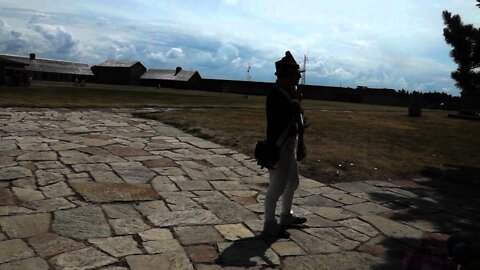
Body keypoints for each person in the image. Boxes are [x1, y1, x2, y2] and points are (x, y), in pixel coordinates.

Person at [262, 51, 307, 238]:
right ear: (287, 75)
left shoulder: (289, 93)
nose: (299, 76)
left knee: (293, 182)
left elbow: (299, 122)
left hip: (290, 143)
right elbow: (287, 117)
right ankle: (269, 224)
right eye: (296, 74)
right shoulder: (276, 95)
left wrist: (301, 142)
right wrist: (297, 102)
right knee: (277, 187)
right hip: (279, 146)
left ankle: (286, 215)